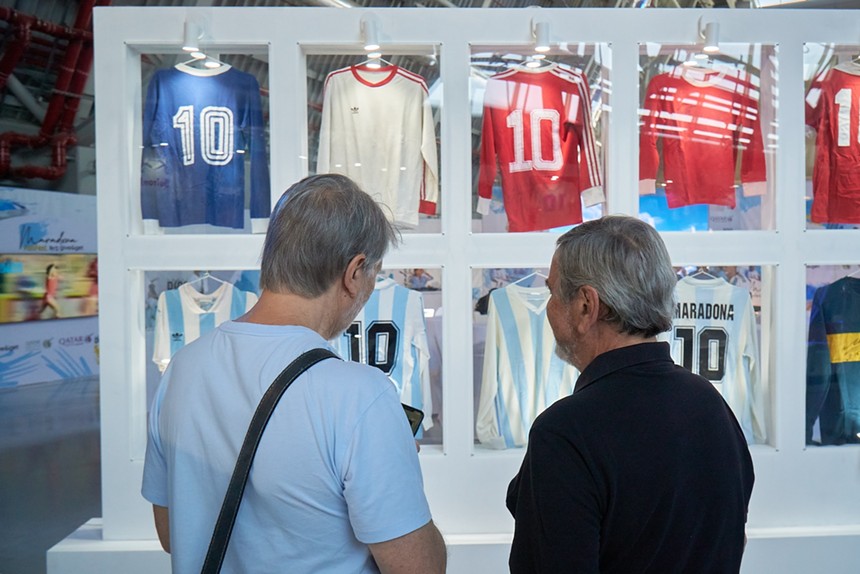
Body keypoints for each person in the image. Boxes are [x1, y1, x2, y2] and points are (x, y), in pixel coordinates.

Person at [142, 174, 447, 573]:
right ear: (354, 272)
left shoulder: (183, 369)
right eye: (374, 274)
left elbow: (170, 533)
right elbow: (418, 568)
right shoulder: (359, 394)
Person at [506, 215, 754, 573]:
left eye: (552, 293)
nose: (549, 307)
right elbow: (733, 538)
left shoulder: (565, 432)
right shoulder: (712, 406)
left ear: (586, 306)